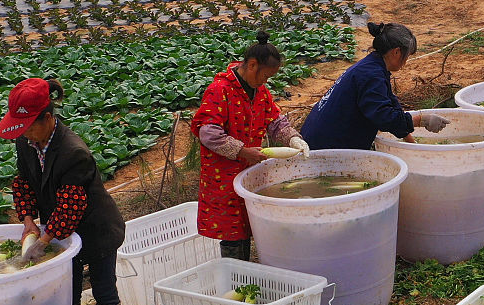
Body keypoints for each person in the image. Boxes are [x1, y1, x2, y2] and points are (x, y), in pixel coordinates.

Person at [0, 77, 126, 305]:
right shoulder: (26, 143)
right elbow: (24, 183)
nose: (24, 133)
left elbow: (70, 207)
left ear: (47, 118)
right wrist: (28, 220)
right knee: (67, 295)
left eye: (29, 126)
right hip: (60, 232)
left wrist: (43, 242)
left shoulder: (73, 152)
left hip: (96, 229)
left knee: (104, 291)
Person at [191, 31, 310, 261]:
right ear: (252, 65)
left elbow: (274, 121)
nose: (266, 82)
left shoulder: (260, 91)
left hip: (248, 169)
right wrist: (242, 151)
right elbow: (208, 134)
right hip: (223, 174)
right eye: (265, 76)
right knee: (231, 231)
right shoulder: (220, 90)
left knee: (245, 225)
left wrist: (293, 138)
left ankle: (244, 269)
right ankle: (235, 274)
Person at [300, 22, 450, 151]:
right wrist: (422, 120)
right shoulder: (371, 75)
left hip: (318, 135)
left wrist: (412, 143)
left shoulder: (373, 65)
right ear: (397, 52)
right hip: (325, 146)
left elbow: (390, 103)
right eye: (407, 56)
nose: (406, 62)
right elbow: (383, 116)